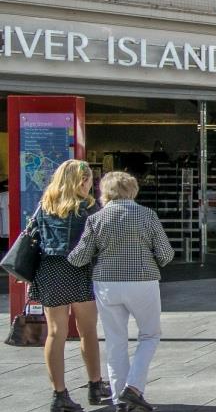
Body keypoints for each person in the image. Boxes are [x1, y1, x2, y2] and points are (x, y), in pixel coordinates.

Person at [68, 171, 173, 412]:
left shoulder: (97, 218)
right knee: (149, 335)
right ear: (133, 190)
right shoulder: (147, 215)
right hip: (143, 281)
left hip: (106, 284)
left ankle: (119, 400)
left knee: (115, 342)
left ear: (104, 192)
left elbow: (79, 257)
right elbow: (166, 255)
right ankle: (134, 388)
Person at [28, 160, 108, 412]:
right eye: (87, 180)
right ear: (79, 181)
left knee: (55, 333)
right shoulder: (86, 209)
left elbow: (32, 236)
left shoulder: (45, 205)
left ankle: (59, 394)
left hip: (50, 272)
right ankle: (95, 385)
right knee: (88, 332)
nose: (90, 185)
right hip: (79, 271)